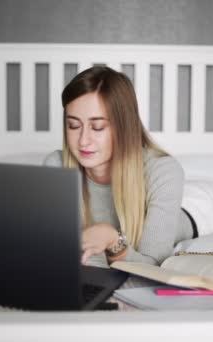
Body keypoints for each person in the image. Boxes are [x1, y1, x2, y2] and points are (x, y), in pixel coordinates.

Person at [44, 66, 194, 268]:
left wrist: (113, 242)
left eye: (97, 127)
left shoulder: (164, 171)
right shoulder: (56, 166)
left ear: (124, 128)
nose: (83, 141)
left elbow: (153, 267)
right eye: (73, 125)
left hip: (200, 210)